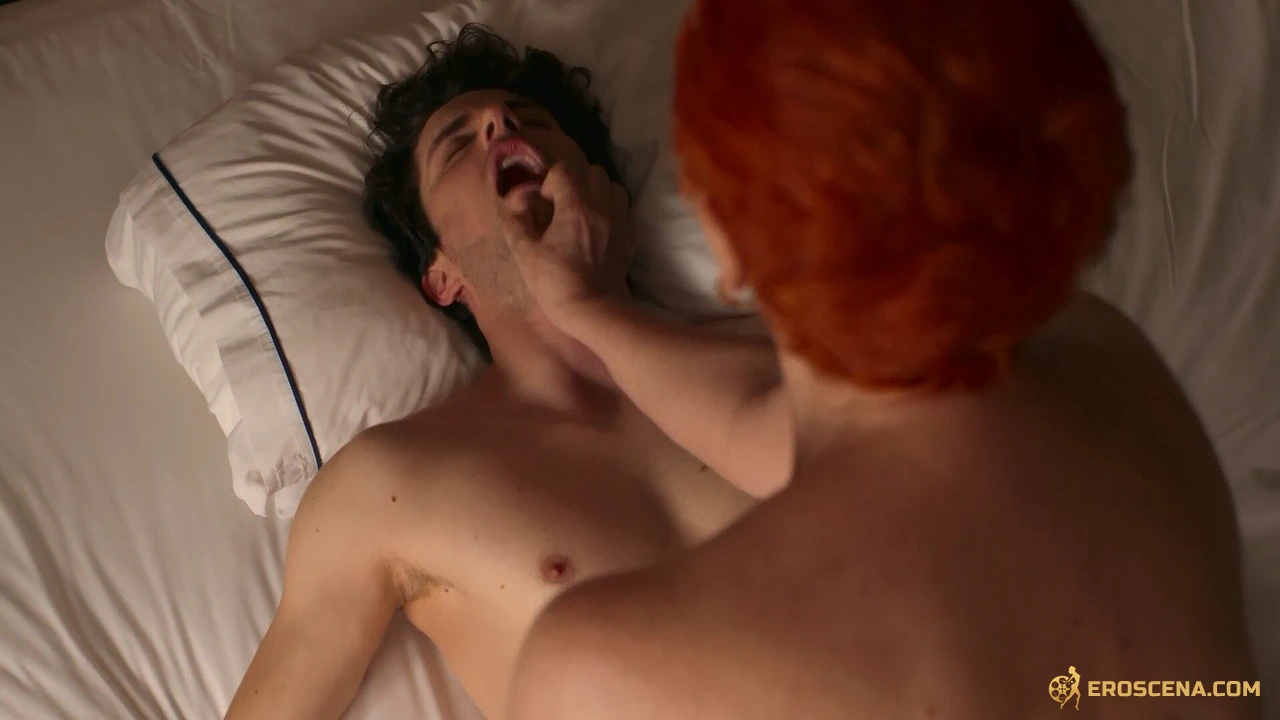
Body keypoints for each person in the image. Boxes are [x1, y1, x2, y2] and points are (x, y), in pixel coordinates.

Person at [501, 1, 1261, 718]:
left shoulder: (601, 673)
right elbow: (777, 426)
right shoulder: (1110, 364)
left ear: (725, 245)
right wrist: (590, 311)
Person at [223, 24, 777, 720]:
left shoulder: (782, 372)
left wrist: (594, 306)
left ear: (605, 194)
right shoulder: (390, 484)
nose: (499, 124)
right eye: (458, 144)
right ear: (442, 275)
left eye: (532, 121)